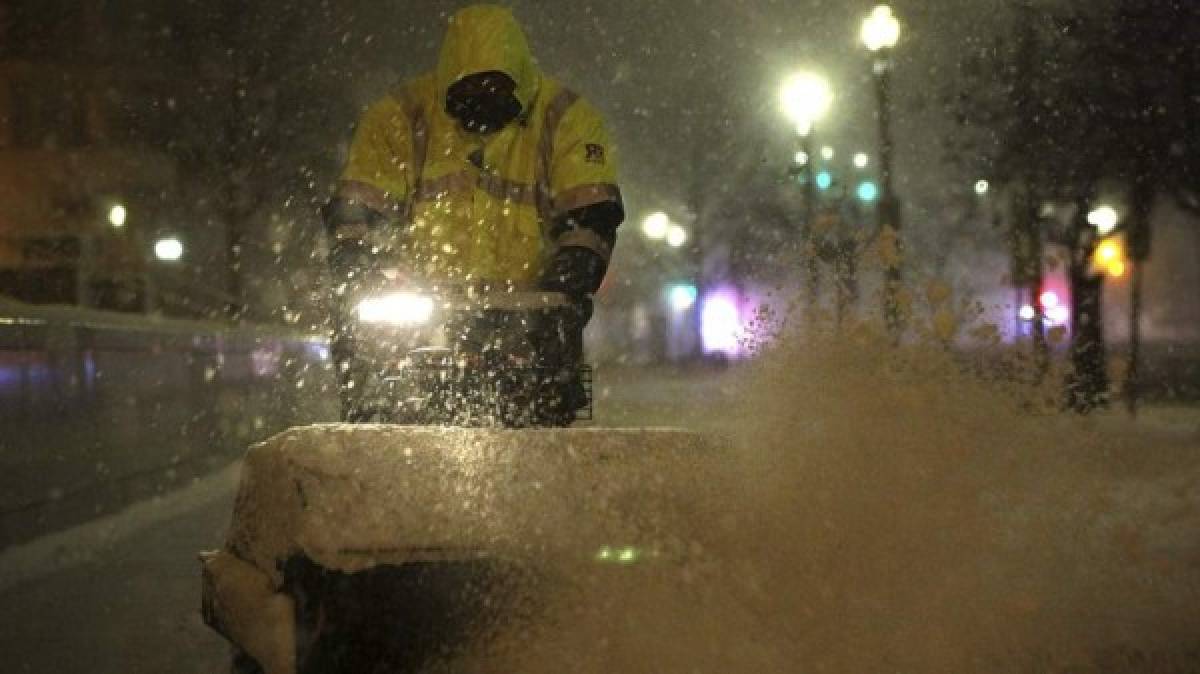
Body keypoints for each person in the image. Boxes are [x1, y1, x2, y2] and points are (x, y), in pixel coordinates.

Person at [324, 4, 624, 421]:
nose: (480, 111)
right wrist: (359, 261)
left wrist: (567, 281)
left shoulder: (566, 120)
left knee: (539, 413)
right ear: (448, 83)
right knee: (374, 386)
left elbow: (590, 216)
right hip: (416, 318)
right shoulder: (399, 119)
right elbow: (360, 207)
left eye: (493, 94)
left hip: (528, 315)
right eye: (469, 97)